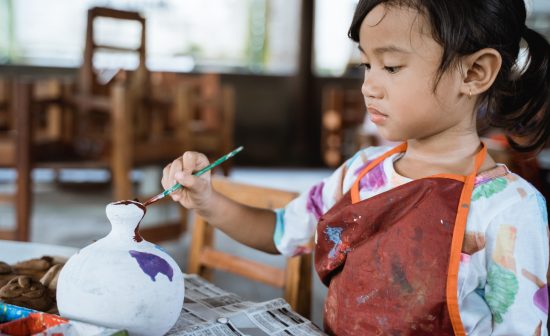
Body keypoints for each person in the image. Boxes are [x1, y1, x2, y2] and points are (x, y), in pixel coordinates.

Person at [162, 0, 550, 334]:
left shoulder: (509, 208)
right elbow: (281, 231)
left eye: (392, 67)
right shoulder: (362, 172)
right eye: (367, 64)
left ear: (474, 73)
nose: (368, 86)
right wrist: (207, 201)